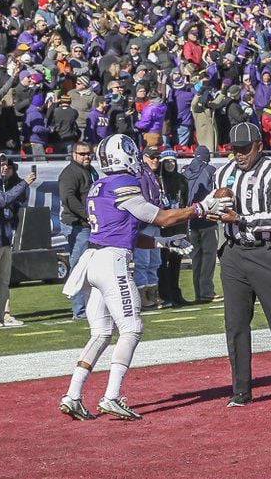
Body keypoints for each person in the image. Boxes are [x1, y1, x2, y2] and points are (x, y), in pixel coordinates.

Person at [57, 134, 231, 420]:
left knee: (101, 333)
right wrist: (201, 207)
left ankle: (73, 394)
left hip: (94, 259)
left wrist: (165, 242)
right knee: (132, 327)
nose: (136, 158)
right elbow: (159, 217)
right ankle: (112, 395)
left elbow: (128, 229)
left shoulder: (99, 184)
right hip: (112, 262)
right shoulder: (123, 183)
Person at [216, 122, 271, 408]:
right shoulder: (224, 172)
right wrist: (210, 209)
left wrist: (240, 219)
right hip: (233, 254)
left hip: (265, 252)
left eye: (244, 149)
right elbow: (212, 203)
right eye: (234, 149)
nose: (239, 154)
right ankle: (240, 389)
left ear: (259, 146)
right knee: (236, 325)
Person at [0, 153, 36, 328]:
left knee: (3, 280)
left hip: (3, 237)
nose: (4, 167)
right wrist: (24, 183)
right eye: (1, 163)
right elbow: (1, 201)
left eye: (6, 164)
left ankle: (4, 314)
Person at [59, 141, 97, 319]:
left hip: (87, 225)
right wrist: (88, 215)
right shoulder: (70, 173)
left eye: (88, 153)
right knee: (79, 267)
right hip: (77, 225)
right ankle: (79, 310)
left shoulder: (90, 170)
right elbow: (68, 198)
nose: (86, 156)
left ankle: (87, 307)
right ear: (73, 154)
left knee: (90, 268)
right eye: (82, 154)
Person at [183, 145, 219, 302]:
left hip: (190, 219)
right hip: (206, 218)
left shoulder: (184, 172)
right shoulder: (210, 170)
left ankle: (198, 292)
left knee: (196, 257)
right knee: (209, 256)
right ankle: (207, 291)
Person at [156, 150, 191, 306]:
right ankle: (165, 294)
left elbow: (185, 204)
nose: (170, 164)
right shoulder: (158, 180)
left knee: (176, 262)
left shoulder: (182, 180)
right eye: (167, 161)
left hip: (178, 227)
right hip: (164, 227)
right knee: (162, 263)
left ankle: (176, 294)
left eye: (173, 161)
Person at [133, 147, 166, 310]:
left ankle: (152, 293)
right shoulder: (140, 174)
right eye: (152, 157)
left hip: (154, 223)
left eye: (157, 157)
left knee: (154, 261)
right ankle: (141, 297)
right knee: (142, 262)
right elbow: (144, 202)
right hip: (145, 224)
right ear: (143, 157)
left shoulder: (152, 174)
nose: (155, 160)